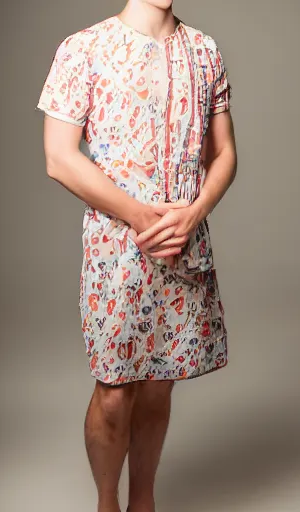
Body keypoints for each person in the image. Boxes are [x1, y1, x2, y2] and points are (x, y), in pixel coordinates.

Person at [35, 0, 237, 510]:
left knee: (159, 384)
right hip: (117, 251)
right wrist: (138, 214)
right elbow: (59, 157)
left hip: (182, 246)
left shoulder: (205, 51)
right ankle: (107, 502)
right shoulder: (84, 48)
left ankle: (143, 501)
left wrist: (194, 213)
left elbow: (226, 152)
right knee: (114, 389)